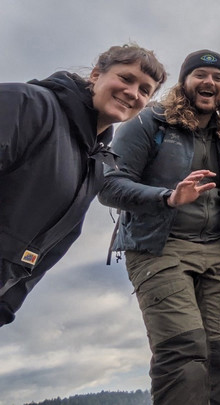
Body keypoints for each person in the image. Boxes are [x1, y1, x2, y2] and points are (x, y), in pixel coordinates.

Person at [98, 50, 220, 405]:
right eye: (201, 74)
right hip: (158, 247)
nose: (210, 82)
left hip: (218, 251)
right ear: (185, 81)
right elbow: (110, 185)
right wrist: (169, 197)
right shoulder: (148, 122)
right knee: (183, 352)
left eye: (218, 78)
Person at [0, 43, 166, 327]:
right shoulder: (26, 103)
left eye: (144, 90)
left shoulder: (95, 165)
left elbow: (49, 247)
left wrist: (6, 305)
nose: (132, 93)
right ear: (95, 75)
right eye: (126, 78)